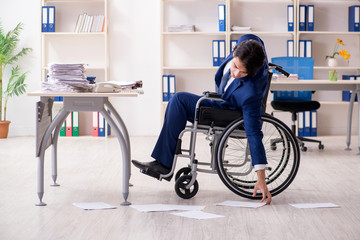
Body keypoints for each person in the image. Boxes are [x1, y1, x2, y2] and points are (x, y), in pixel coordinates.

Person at [133, 34, 272, 204]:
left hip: (228, 113)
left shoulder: (251, 92)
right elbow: (254, 39)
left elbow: (253, 133)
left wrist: (261, 177)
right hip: (221, 98)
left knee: (179, 100)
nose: (235, 73)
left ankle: (164, 165)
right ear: (236, 50)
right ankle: (163, 162)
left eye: (243, 72)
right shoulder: (245, 44)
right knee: (177, 102)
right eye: (235, 65)